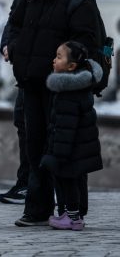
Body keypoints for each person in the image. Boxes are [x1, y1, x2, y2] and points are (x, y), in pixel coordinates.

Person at [5, 0, 100, 228]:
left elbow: (87, 44)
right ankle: (37, 208)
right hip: (32, 83)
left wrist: (68, 75)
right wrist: (17, 52)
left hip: (62, 90)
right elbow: (16, 24)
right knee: (35, 150)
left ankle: (73, 211)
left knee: (63, 151)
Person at [0, 0, 66, 205]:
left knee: (45, 126)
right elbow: (16, 16)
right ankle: (26, 181)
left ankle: (42, 185)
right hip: (26, 63)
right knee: (23, 121)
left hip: (50, 67)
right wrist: (8, 44)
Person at [41, 41, 103, 231]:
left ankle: (73, 218)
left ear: (71, 66)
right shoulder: (80, 88)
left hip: (69, 150)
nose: (54, 60)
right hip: (77, 148)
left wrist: (58, 153)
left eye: (59, 57)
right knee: (73, 182)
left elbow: (65, 127)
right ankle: (73, 216)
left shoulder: (68, 93)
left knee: (68, 182)